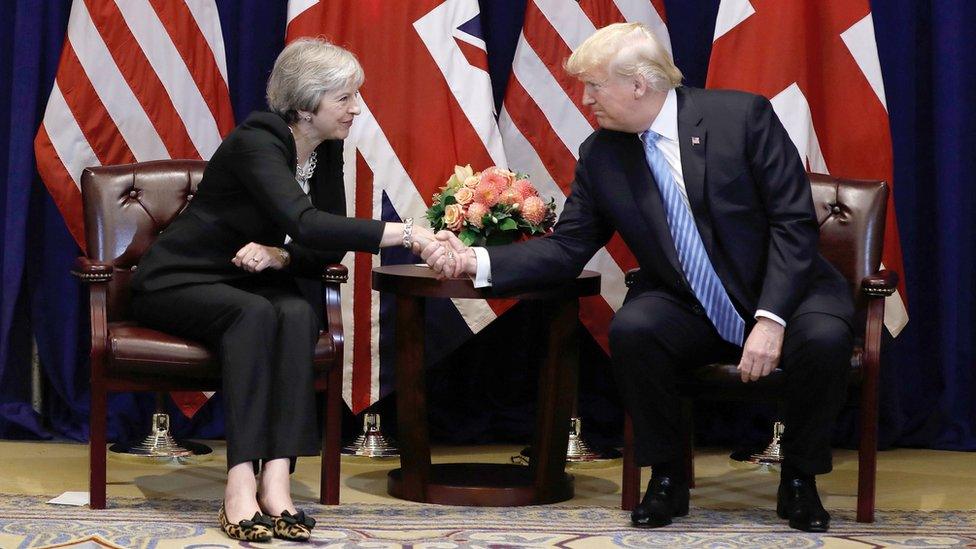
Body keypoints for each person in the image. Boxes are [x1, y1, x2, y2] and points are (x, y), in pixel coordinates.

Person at [420, 23, 853, 533]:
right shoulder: (603, 154)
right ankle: (666, 476)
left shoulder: (742, 118)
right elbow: (567, 248)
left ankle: (800, 479)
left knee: (824, 338)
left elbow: (792, 223)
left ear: (638, 85)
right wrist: (477, 262)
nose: (584, 99)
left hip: (787, 291)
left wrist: (771, 316)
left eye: (594, 86)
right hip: (686, 300)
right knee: (635, 330)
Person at [131, 38, 439, 542]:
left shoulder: (327, 148)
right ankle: (238, 485)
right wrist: (406, 233)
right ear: (304, 103)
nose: (355, 109)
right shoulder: (258, 138)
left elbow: (324, 244)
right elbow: (307, 221)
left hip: (244, 281)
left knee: (297, 312)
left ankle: (277, 483)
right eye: (344, 98)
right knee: (253, 315)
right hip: (177, 280)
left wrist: (284, 256)